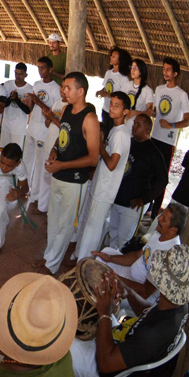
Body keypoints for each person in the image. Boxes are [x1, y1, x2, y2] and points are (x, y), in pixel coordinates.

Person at [70, 244, 189, 377]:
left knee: (59, 335)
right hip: (121, 339)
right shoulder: (178, 306)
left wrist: (105, 313)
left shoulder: (153, 336)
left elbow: (105, 364)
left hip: (103, 367)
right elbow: (148, 313)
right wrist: (128, 292)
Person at [37, 72, 99, 275]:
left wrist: (62, 166)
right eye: (63, 87)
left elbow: (93, 158)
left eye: (67, 87)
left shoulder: (89, 119)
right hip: (58, 174)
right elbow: (62, 137)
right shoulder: (65, 110)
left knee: (64, 225)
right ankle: (48, 257)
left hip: (74, 181)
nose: (63, 90)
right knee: (53, 220)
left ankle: (52, 265)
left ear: (80, 91)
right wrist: (55, 151)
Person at [75, 92, 131, 260]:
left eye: (117, 106)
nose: (112, 108)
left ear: (126, 112)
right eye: (111, 103)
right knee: (87, 223)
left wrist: (99, 146)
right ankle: (79, 255)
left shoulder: (121, 134)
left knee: (93, 228)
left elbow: (112, 164)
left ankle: (83, 264)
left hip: (105, 189)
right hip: (100, 185)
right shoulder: (115, 130)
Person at [92, 202, 186, 299]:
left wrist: (116, 279)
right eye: (162, 215)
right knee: (104, 254)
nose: (159, 219)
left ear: (173, 230)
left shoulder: (170, 256)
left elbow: (145, 291)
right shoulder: (159, 234)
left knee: (103, 277)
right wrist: (110, 258)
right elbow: (137, 255)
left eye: (164, 219)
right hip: (130, 273)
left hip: (136, 293)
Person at [109, 114, 169, 249]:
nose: (133, 127)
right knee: (112, 233)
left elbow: (163, 180)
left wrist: (144, 199)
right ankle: (108, 261)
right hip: (117, 197)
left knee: (123, 241)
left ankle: (116, 265)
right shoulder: (129, 142)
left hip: (132, 204)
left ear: (147, 130)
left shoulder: (154, 152)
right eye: (134, 123)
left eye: (138, 125)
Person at [148, 57, 189, 218]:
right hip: (155, 137)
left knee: (161, 178)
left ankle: (154, 213)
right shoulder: (159, 89)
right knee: (149, 173)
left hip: (168, 141)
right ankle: (146, 205)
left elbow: (186, 121)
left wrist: (171, 125)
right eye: (164, 69)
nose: (165, 72)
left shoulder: (181, 95)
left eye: (168, 70)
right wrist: (153, 114)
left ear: (175, 73)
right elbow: (157, 111)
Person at [25, 57, 61, 193]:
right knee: (27, 158)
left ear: (50, 69)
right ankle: (24, 186)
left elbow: (53, 113)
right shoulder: (36, 84)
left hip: (43, 130)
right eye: (38, 67)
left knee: (40, 162)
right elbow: (33, 106)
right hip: (32, 126)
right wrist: (29, 102)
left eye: (43, 67)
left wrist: (37, 101)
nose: (40, 71)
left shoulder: (56, 89)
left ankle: (35, 193)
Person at [95, 47, 131, 131]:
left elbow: (122, 97)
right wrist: (100, 92)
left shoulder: (123, 78)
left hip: (115, 113)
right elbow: (106, 87)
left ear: (120, 60)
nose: (111, 57)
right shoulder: (108, 73)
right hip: (105, 109)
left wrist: (106, 94)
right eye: (111, 56)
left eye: (114, 56)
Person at [0, 63, 33, 151]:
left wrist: (17, 100)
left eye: (20, 74)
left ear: (26, 75)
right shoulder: (7, 85)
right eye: (16, 73)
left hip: (19, 128)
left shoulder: (30, 89)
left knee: (15, 153)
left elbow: (27, 110)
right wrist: (11, 98)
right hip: (6, 125)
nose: (18, 76)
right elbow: (3, 105)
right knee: (3, 151)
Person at [124, 58, 154, 132]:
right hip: (123, 122)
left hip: (135, 127)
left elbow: (148, 113)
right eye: (132, 67)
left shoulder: (147, 90)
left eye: (135, 68)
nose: (132, 70)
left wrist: (135, 113)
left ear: (141, 71)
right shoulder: (127, 85)